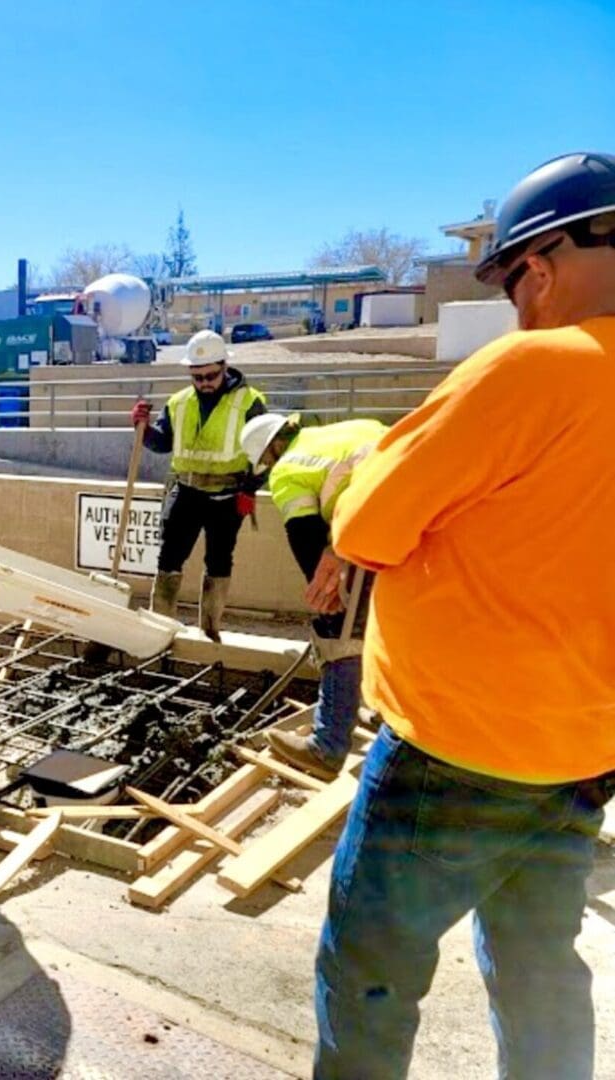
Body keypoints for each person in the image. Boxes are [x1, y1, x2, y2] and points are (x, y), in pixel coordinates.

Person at [313, 152, 615, 1078]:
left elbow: (368, 521)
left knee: (371, 966)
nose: (518, 306)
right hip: (585, 748)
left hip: (458, 749)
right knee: (536, 967)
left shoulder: (539, 364)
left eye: (514, 280)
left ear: (545, 260)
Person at [240, 413, 387, 779]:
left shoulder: (287, 469)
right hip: (429, 515)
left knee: (336, 628)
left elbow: (304, 535)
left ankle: (326, 747)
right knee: (393, 621)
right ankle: (392, 713)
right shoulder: (351, 428)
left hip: (380, 519)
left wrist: (327, 593)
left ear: (272, 450)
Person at [130, 329, 266, 640]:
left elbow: (267, 451)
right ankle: (159, 628)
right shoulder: (179, 403)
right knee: (169, 558)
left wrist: (250, 488)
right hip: (187, 493)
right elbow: (163, 443)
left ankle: (210, 629)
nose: (204, 383)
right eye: (197, 377)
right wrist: (144, 429)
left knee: (219, 561)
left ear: (224, 366)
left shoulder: (250, 402)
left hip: (228, 496)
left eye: (210, 376)